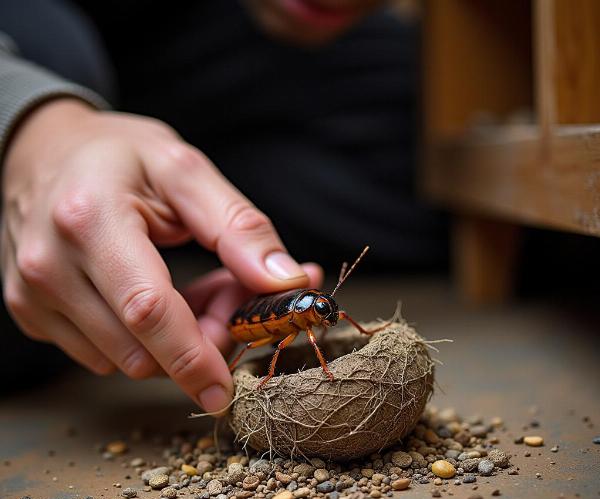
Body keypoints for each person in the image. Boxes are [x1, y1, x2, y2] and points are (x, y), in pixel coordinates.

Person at [0, 1, 446, 406]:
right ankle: (116, 225)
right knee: (58, 46)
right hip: (46, 37)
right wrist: (31, 125)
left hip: (227, 53)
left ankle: (166, 212)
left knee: (429, 140)